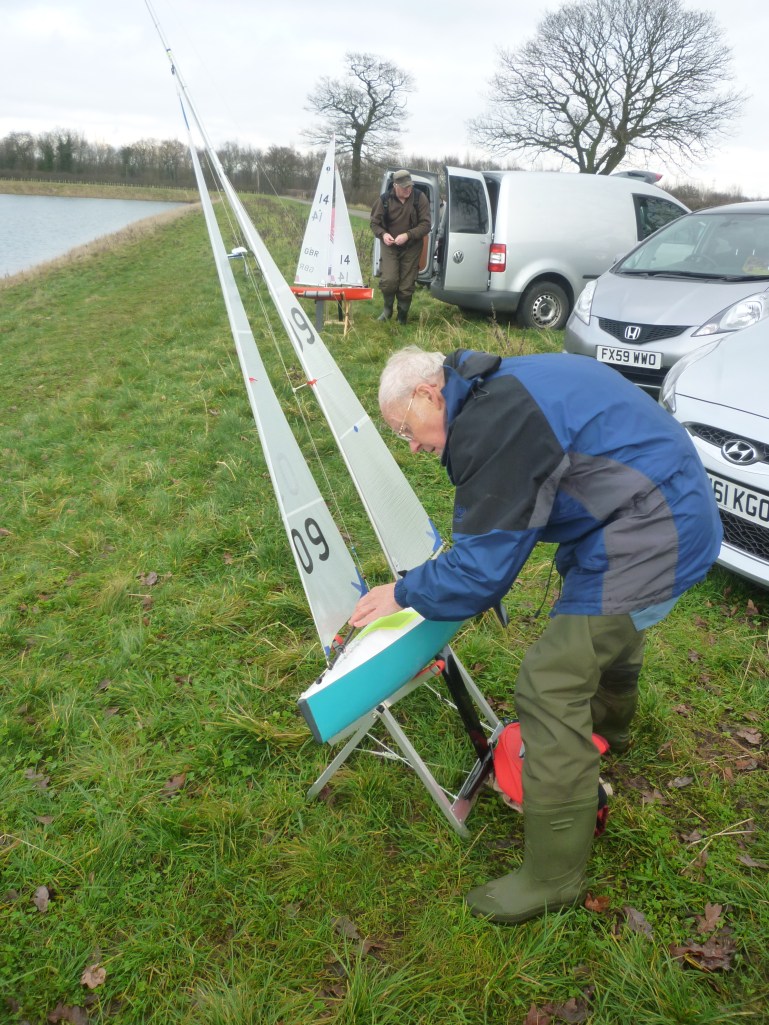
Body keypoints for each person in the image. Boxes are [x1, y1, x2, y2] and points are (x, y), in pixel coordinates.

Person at [349, 345, 722, 925]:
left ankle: (554, 877)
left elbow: (480, 571)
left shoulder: (495, 422)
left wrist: (400, 593)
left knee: (548, 686)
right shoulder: (495, 386)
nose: (413, 447)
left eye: (405, 430)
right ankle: (609, 730)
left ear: (428, 394)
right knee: (602, 630)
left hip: (654, 530)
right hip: (653, 506)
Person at [370, 170, 431, 324]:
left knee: (406, 285)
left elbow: (426, 225)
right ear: (395, 186)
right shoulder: (384, 200)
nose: (408, 189)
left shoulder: (419, 198)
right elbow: (374, 223)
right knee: (389, 281)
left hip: (412, 246)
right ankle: (387, 310)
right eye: (404, 187)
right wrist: (383, 234)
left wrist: (408, 235)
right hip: (390, 246)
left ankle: (402, 316)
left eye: (410, 186)